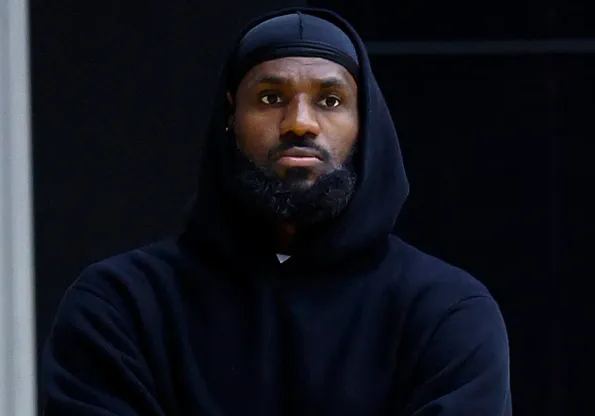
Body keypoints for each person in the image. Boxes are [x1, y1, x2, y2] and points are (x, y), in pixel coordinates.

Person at [40, 7, 512, 415]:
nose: (300, 123)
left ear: (364, 124)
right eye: (271, 98)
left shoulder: (445, 313)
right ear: (231, 116)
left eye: (330, 101)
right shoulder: (122, 306)